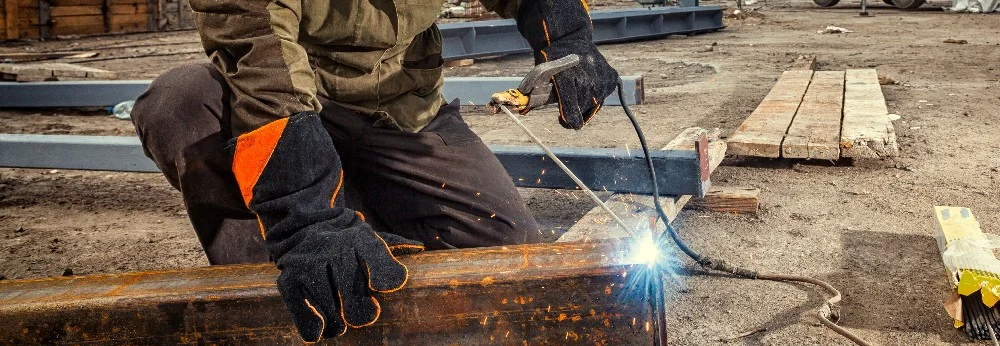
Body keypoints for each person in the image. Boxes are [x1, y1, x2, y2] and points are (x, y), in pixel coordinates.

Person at [130, 0, 619, 341]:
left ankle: (360, 211)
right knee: (180, 103)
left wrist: (566, 37)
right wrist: (308, 218)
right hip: (292, 99)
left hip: (404, 111)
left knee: (512, 259)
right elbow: (263, 70)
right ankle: (267, 296)